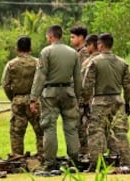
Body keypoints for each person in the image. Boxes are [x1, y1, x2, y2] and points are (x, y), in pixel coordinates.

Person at [30, 24, 83, 168]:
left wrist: (33, 98)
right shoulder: (73, 53)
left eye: (47, 36)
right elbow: (78, 78)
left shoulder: (46, 52)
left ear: (51, 36)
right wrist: (78, 97)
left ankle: (50, 162)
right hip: (68, 93)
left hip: (50, 94)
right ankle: (74, 160)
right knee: (71, 127)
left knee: (49, 127)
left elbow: (40, 76)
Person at [82, 32, 130, 168]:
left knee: (96, 132)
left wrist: (85, 102)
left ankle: (96, 164)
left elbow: (87, 85)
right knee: (120, 132)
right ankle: (125, 163)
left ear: (100, 45)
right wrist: (127, 101)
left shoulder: (94, 62)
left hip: (100, 101)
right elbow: (129, 86)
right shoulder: (122, 63)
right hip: (118, 100)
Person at [3, 35, 44, 157]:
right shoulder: (37, 63)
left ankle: (17, 158)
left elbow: (5, 84)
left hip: (18, 100)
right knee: (41, 131)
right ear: (30, 48)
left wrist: (14, 98)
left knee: (17, 132)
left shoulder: (11, 64)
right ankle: (43, 156)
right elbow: (43, 81)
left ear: (17, 48)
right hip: (35, 100)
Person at [70, 25, 93, 160]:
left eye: (73, 37)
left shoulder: (83, 53)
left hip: (84, 96)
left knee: (82, 126)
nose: (71, 40)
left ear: (81, 37)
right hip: (81, 95)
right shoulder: (78, 52)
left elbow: (84, 76)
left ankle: (85, 153)